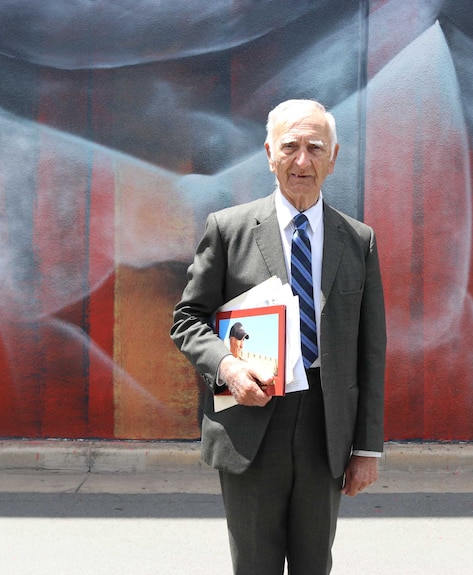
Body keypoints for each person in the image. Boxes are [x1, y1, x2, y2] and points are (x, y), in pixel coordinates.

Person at [171, 99, 387, 574]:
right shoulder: (228, 230)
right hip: (251, 419)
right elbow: (187, 319)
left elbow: (372, 353)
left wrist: (366, 448)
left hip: (325, 426)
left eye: (315, 147)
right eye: (290, 147)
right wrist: (226, 366)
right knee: (254, 565)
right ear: (270, 153)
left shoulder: (358, 240)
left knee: (314, 564)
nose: (302, 161)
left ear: (334, 157)